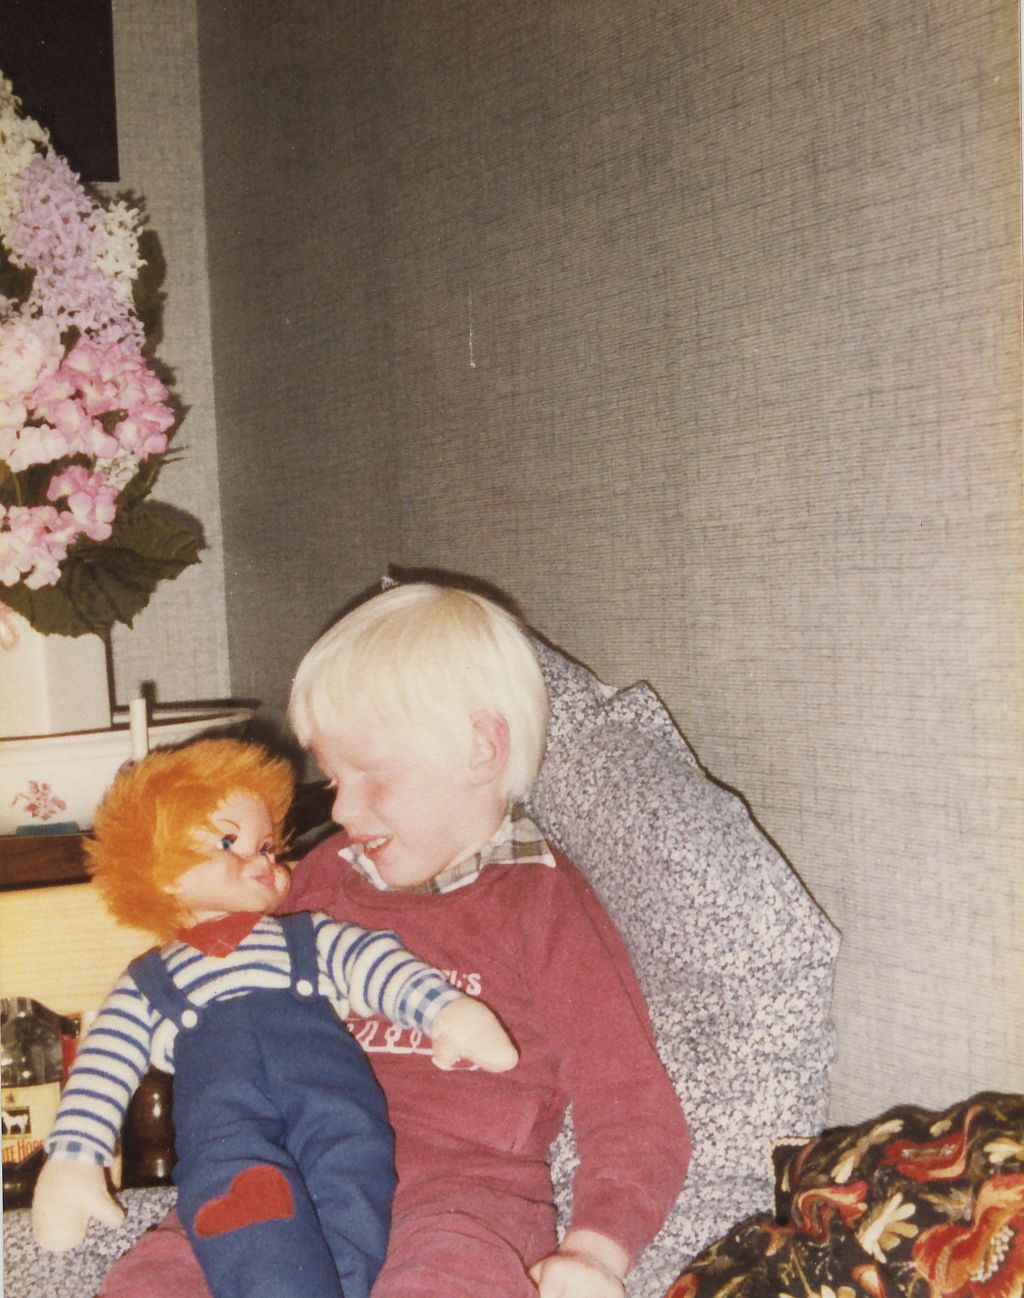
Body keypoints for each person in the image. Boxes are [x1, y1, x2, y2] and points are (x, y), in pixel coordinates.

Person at [98, 582, 690, 1298]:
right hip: (286, 1176)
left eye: (371, 775)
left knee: (453, 1276)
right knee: (159, 1274)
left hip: (460, 1197)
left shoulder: (541, 904)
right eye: (334, 778)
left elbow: (629, 1105)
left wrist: (595, 1251)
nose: (342, 808)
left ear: (481, 748)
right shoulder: (322, 878)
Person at [32, 737, 517, 1298]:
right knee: (243, 1211)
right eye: (229, 842)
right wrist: (74, 1159)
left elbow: (374, 963)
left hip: (342, 1122)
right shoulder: (149, 983)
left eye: (266, 846)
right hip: (226, 1139)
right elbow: (102, 1066)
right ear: (160, 871)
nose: (262, 860)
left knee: (353, 1209)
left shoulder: (306, 937)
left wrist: (445, 1011)